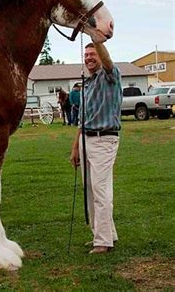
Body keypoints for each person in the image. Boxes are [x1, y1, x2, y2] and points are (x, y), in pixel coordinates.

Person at [70, 42, 122, 254]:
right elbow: (83, 121)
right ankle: (104, 233)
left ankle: (103, 241)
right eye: (86, 54)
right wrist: (75, 148)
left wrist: (95, 37)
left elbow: (108, 62)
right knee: (90, 190)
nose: (89, 57)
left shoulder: (110, 76)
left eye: (93, 54)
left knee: (100, 190)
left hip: (104, 139)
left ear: (100, 55)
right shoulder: (87, 84)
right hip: (86, 139)